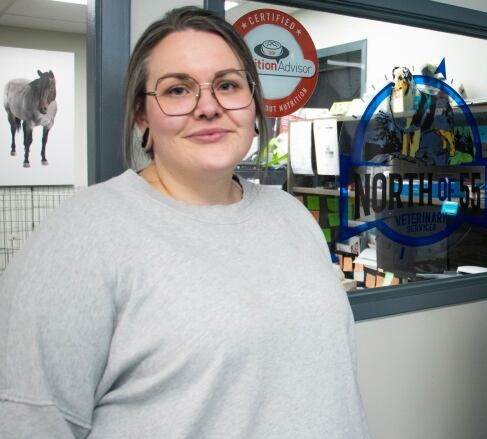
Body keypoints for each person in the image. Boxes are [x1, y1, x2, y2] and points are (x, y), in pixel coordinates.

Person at [0, 7, 369, 438]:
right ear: (142, 115)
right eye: (178, 90)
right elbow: (30, 422)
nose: (208, 107)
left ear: (251, 102)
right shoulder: (76, 239)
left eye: (228, 85)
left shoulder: (289, 215)